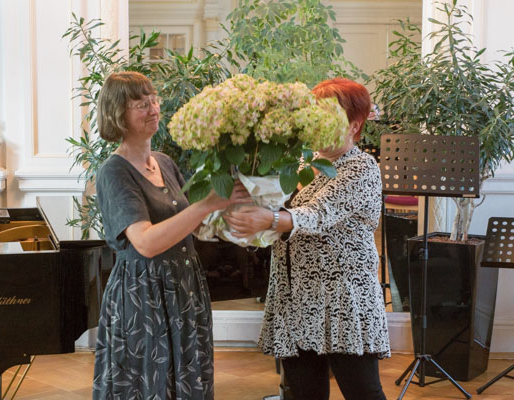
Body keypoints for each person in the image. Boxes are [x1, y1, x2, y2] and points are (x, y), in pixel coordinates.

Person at [225, 78, 390, 400]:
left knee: (363, 393)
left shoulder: (361, 167)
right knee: (302, 394)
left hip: (344, 299)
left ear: (355, 125)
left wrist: (269, 219)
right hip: (296, 297)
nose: (317, 124)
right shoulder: (301, 164)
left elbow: (317, 214)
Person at [92, 71, 250, 400]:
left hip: (185, 286)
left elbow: (193, 226)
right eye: (141, 104)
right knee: (148, 386)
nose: (153, 109)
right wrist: (207, 204)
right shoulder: (114, 171)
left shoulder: (163, 162)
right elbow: (146, 243)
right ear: (117, 114)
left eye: (154, 101)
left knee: (187, 381)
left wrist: (243, 218)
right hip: (143, 293)